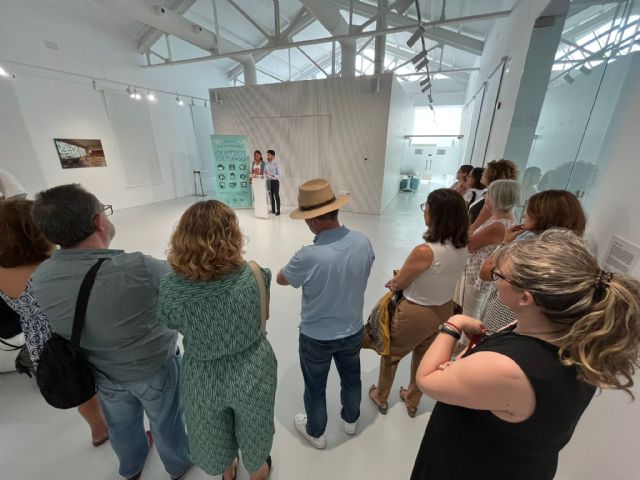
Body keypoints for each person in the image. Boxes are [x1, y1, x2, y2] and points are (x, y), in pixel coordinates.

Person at [411, 229, 640, 480]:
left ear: (525, 298)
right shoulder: (578, 337)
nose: (495, 279)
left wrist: (453, 324)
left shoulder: (509, 368)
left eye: (500, 275)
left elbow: (427, 379)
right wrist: (471, 366)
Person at [30, 184, 191, 480]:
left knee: (121, 424)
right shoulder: (139, 267)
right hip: (154, 368)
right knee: (167, 420)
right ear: (98, 221)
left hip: (101, 373)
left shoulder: (41, 277)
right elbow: (184, 286)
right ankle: (178, 465)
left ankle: (131, 466)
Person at [158, 200, 275, 480]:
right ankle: (257, 469)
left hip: (203, 373)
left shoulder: (171, 288)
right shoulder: (256, 274)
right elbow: (264, 314)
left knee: (209, 429)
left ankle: (227, 469)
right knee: (256, 423)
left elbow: (169, 321)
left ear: (182, 238)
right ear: (233, 234)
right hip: (253, 365)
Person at [0, 198, 109, 444]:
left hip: (39, 341)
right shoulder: (51, 269)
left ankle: (98, 429)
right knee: (98, 378)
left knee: (77, 386)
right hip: (71, 333)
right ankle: (115, 418)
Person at [277, 178, 374, 449]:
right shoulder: (363, 241)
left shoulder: (308, 256)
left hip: (316, 337)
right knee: (352, 379)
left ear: (312, 220)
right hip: (352, 329)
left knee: (315, 388)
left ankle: (316, 433)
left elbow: (282, 279)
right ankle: (351, 420)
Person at [368, 189, 468, 418]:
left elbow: (399, 282)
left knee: (391, 356)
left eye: (427, 207)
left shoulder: (425, 251)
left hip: (415, 312)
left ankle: (381, 396)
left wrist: (394, 282)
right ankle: (412, 400)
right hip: (444, 310)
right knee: (425, 358)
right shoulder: (463, 246)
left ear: (436, 215)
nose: (425, 211)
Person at [478, 190, 587, 332]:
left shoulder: (529, 252)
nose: (524, 215)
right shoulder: (574, 252)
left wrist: (506, 242)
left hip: (507, 319)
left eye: (529, 212)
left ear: (544, 215)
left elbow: (486, 272)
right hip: (533, 325)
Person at [461, 180, 522, 318]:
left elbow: (469, 244)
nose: (485, 197)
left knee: (470, 313)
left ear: (496, 197)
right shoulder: (502, 219)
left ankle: (466, 333)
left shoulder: (498, 225)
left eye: (488, 194)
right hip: (479, 273)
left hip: (478, 276)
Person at [469, 159, 518, 229]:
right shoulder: (488, 194)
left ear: (492, 175)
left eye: (485, 171)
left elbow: (476, 226)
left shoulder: (492, 199)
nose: (482, 173)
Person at [264, 149, 281, 216]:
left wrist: (272, 175)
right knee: (271, 196)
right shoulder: (266, 164)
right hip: (268, 181)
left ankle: (278, 211)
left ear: (273, 156)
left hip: (275, 181)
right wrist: (265, 175)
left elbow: (279, 175)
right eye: (267, 155)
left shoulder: (276, 164)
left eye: (269, 155)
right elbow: (265, 172)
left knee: (276, 196)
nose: (267, 156)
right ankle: (273, 210)